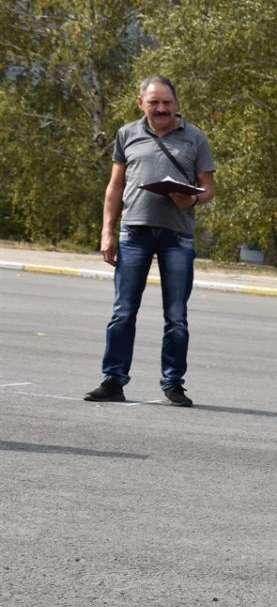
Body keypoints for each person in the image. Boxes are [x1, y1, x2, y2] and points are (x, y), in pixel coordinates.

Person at [84, 76, 216, 406]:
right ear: (140, 103)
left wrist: (194, 200)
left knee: (176, 316)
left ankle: (173, 384)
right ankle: (113, 380)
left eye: (167, 102)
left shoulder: (194, 137)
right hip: (134, 234)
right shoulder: (127, 134)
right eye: (154, 102)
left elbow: (209, 188)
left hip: (177, 237)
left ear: (177, 103)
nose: (161, 108)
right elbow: (114, 187)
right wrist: (106, 232)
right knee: (123, 312)